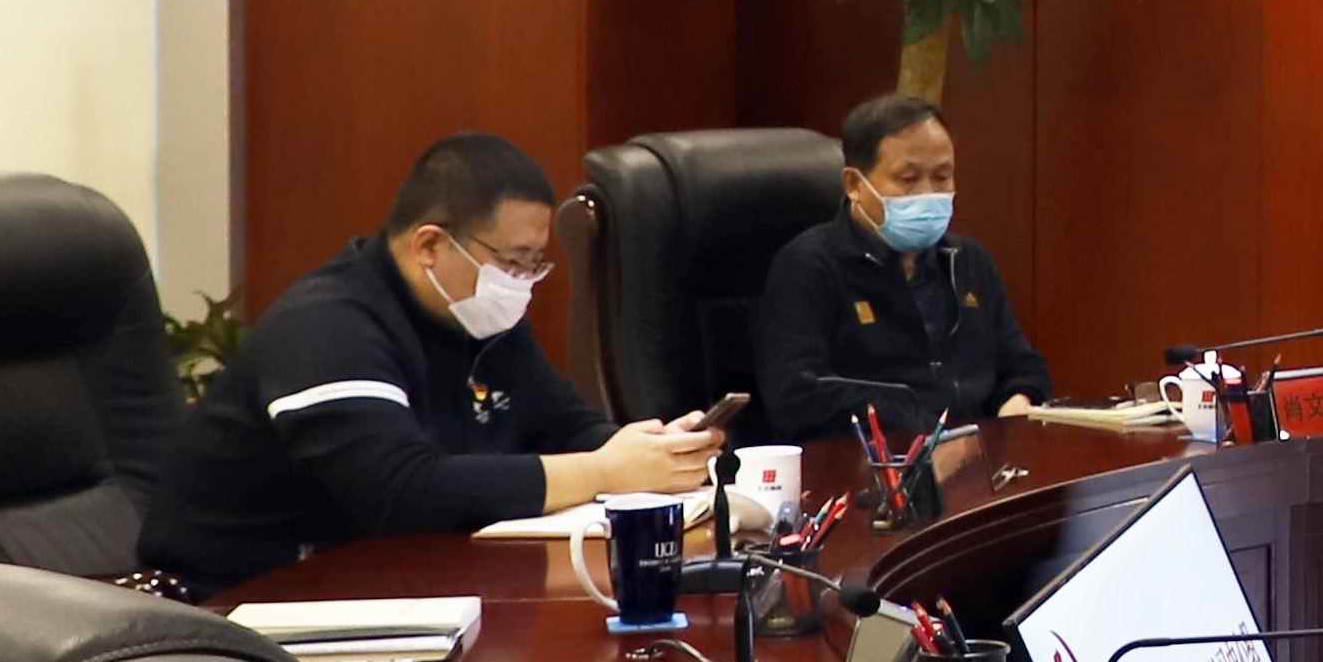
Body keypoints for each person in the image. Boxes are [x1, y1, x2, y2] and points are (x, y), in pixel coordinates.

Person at [143, 132, 716, 589]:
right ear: (430, 246)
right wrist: (603, 472)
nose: (522, 283)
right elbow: (399, 491)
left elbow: (566, 426)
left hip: (390, 585)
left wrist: (657, 455)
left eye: (535, 264)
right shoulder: (327, 325)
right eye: (512, 261)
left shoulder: (480, 320)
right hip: (236, 599)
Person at [758, 93, 1053, 442]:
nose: (928, 193)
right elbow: (795, 395)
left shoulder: (967, 260)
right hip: (869, 461)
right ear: (854, 185)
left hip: (979, 459)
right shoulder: (809, 266)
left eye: (942, 177)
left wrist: (1017, 402)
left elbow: (1021, 365)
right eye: (908, 179)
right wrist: (917, 422)